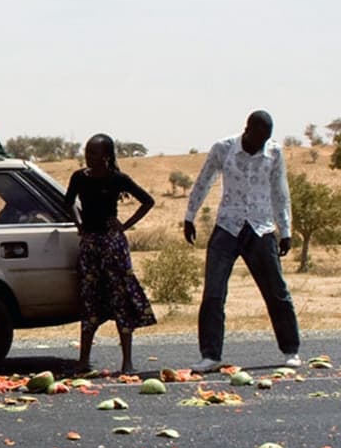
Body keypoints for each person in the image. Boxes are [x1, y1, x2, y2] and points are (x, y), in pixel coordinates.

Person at [184, 111, 301, 372]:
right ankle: (210, 355)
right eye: (257, 137)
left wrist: (285, 231)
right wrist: (190, 216)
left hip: (260, 228)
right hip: (228, 226)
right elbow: (204, 181)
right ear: (246, 129)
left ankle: (290, 349)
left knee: (276, 291)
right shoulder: (223, 148)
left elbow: (280, 192)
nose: (261, 144)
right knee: (214, 292)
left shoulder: (274, 153)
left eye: (266, 139)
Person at [63, 134, 157, 374]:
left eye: (93, 153)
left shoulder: (117, 179)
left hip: (112, 246)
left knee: (121, 300)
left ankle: (127, 362)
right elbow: (68, 202)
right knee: (90, 299)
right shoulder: (79, 178)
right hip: (90, 244)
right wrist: (79, 224)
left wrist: (124, 226)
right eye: (87, 152)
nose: (88, 157)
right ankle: (83, 360)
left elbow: (147, 201)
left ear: (106, 156)